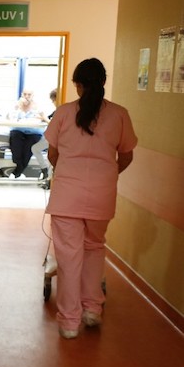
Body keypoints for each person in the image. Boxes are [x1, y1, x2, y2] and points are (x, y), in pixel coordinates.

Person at [44, 58, 137, 339]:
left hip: (67, 196)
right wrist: (106, 175)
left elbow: (52, 154)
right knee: (95, 248)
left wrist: (68, 173)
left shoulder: (63, 113)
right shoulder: (119, 114)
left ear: (77, 85)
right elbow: (126, 155)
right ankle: (92, 309)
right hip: (101, 195)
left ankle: (69, 322)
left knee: (69, 257)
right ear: (103, 82)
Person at [6, 89, 49, 178]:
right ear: (22, 95)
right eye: (25, 94)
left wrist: (40, 116)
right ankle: (19, 167)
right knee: (15, 143)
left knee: (28, 148)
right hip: (18, 129)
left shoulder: (37, 106)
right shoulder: (17, 105)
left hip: (34, 131)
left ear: (32, 96)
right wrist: (16, 108)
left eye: (29, 94)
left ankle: (18, 171)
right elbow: (9, 117)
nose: (27, 96)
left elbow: (44, 118)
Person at [30, 88, 59, 182]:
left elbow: (53, 124)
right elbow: (49, 118)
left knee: (36, 148)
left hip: (56, 138)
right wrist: (42, 118)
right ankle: (46, 174)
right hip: (51, 136)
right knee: (36, 148)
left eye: (53, 100)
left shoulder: (61, 110)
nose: (53, 103)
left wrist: (44, 118)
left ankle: (47, 175)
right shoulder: (57, 111)